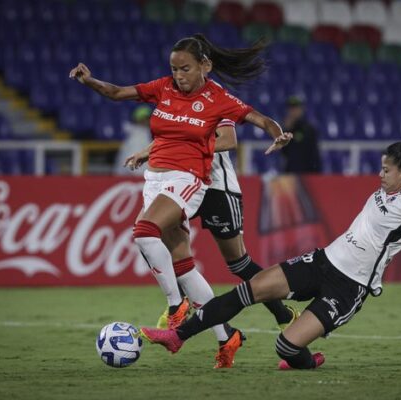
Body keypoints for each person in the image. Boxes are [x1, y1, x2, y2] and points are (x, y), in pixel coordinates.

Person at [139, 122, 401, 369]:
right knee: (248, 290)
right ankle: (178, 336)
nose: (380, 174)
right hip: (323, 260)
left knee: (287, 347)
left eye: (387, 170)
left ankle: (307, 362)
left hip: (349, 286)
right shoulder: (396, 185)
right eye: (382, 167)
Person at [69, 33, 292, 368]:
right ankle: (225, 336)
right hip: (160, 179)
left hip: (208, 184)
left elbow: (243, 129)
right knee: (183, 263)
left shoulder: (218, 98)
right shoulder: (166, 88)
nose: (178, 75)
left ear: (205, 66)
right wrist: (88, 81)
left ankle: (186, 306)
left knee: (233, 262)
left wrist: (278, 135)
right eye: (174, 69)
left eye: (184, 69)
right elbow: (118, 94)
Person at [151, 119, 299, 331]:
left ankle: (283, 315)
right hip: (185, 184)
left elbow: (253, 124)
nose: (180, 83)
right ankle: (178, 305)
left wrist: (278, 133)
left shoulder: (215, 101)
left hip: (217, 189)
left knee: (238, 263)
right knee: (155, 236)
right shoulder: (172, 105)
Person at [281, 95, 322, 174]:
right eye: (291, 109)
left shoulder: (309, 129)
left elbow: (314, 154)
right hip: (290, 173)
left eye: (295, 108)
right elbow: (284, 152)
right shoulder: (286, 130)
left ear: (301, 109)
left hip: (307, 174)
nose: (293, 111)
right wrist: (287, 130)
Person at [113, 105, 152, 176]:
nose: (146, 121)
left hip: (133, 175)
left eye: (148, 118)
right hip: (132, 176)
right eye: (144, 118)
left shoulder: (146, 132)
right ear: (138, 119)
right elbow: (133, 163)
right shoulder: (138, 135)